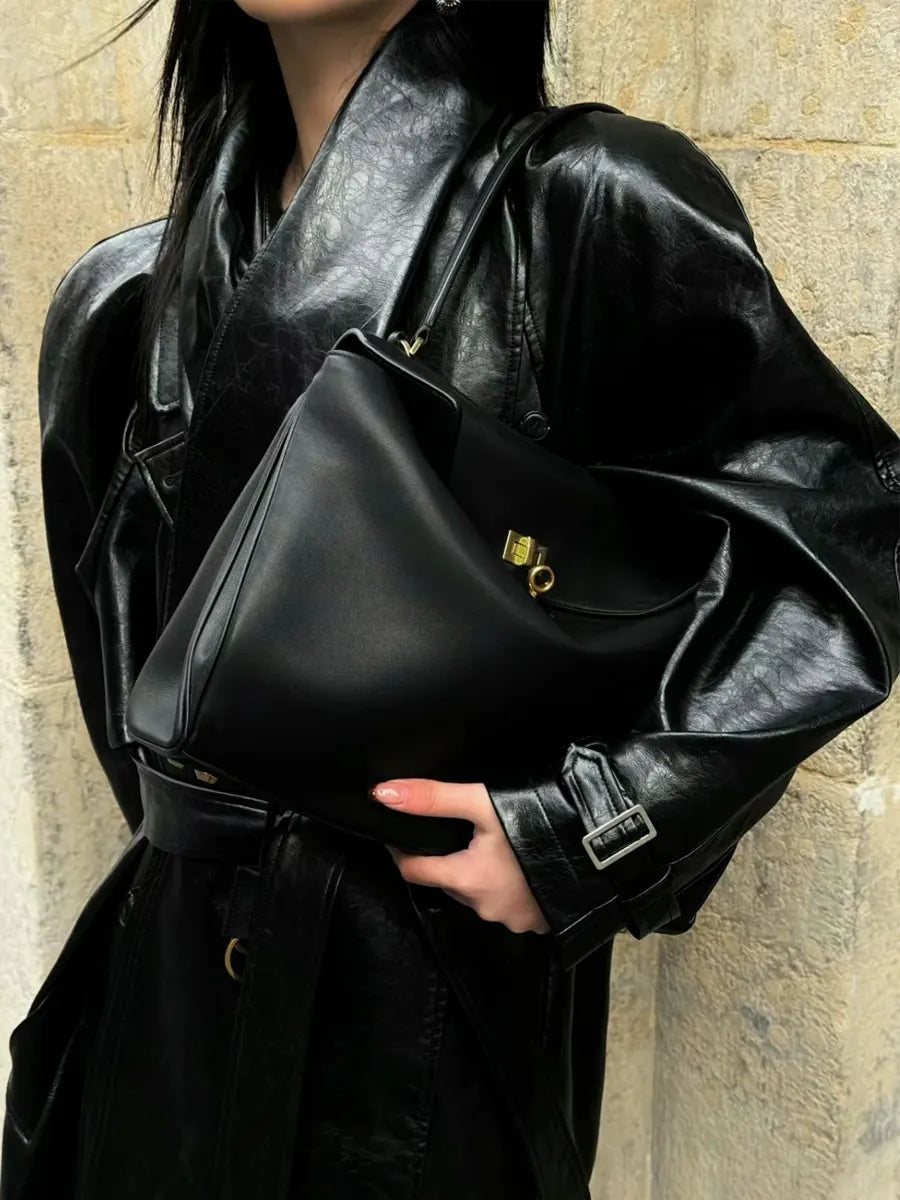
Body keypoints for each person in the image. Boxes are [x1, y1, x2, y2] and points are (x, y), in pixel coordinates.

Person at [4, 1, 900, 1198]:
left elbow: (846, 535)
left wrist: (592, 826)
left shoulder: (588, 205)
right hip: (154, 1016)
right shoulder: (118, 308)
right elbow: (139, 711)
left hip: (426, 1026)